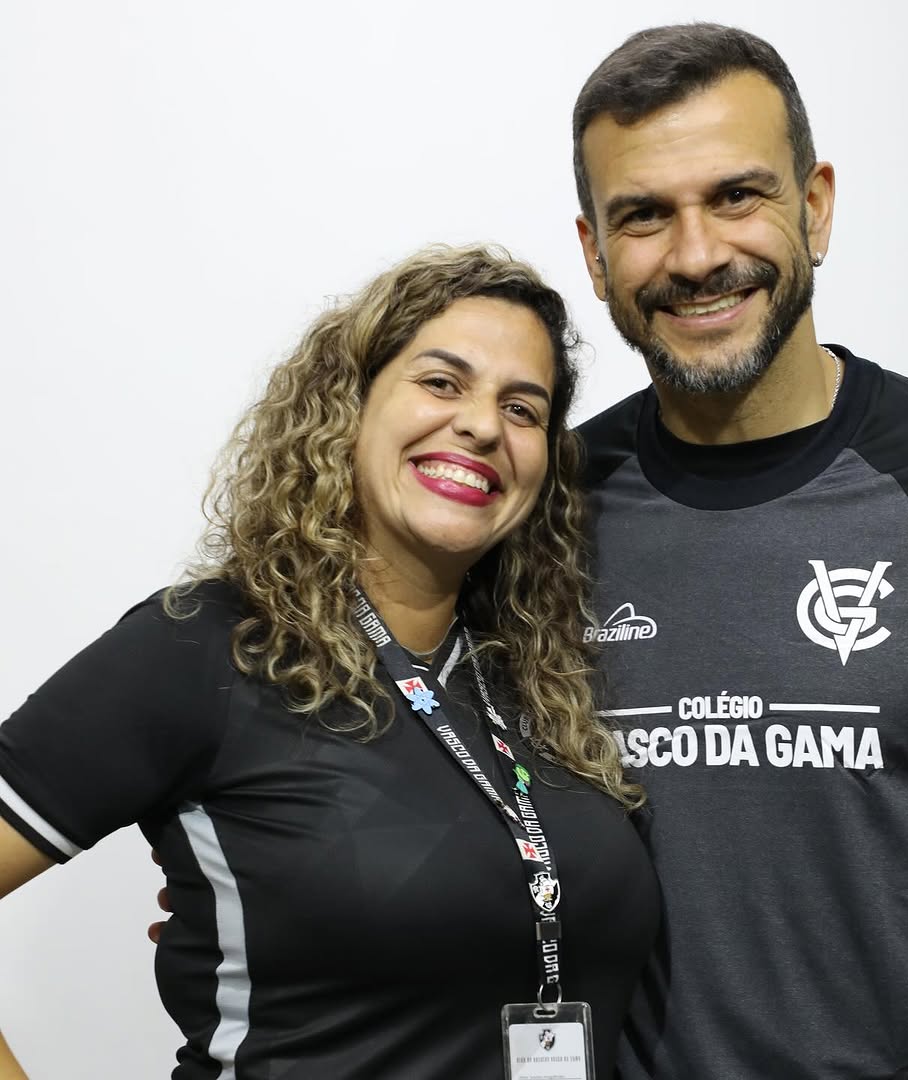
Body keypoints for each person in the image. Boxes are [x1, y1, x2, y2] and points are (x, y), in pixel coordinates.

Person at [0, 245, 660, 1079]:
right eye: (441, 382)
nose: (484, 425)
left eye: (522, 408)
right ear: (350, 405)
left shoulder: (536, 679)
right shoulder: (208, 646)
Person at [570, 23, 908, 1080]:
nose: (697, 256)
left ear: (817, 206)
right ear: (594, 253)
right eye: (645, 215)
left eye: (737, 196)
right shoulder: (544, 516)